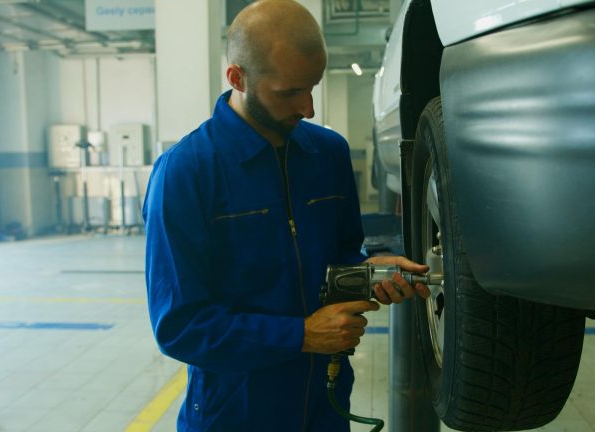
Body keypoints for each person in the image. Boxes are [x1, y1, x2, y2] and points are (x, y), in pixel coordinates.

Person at [142, 1, 430, 430]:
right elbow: (180, 326)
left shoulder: (327, 154)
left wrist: (370, 271)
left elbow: (342, 257)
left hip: (324, 405)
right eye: (289, 92)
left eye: (311, 86)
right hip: (236, 412)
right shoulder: (186, 173)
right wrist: (301, 336)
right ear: (238, 78)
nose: (309, 108)